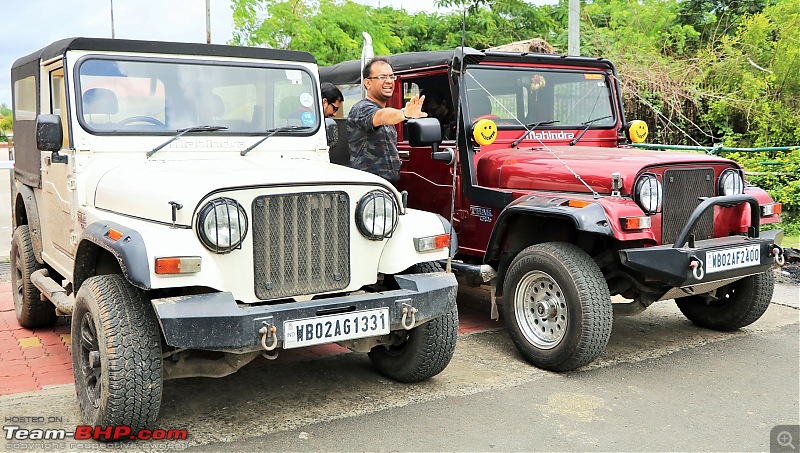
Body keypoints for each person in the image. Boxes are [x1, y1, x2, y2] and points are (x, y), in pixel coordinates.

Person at [347, 57, 426, 183]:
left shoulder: (384, 111)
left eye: (391, 77)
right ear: (368, 83)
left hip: (386, 188)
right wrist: (404, 113)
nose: (389, 81)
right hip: (369, 187)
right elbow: (381, 116)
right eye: (383, 77)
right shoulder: (361, 108)